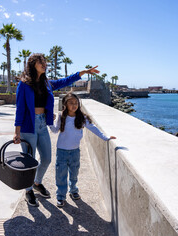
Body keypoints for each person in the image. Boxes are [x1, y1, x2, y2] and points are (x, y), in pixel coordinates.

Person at [13, 53, 99, 207]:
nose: (44, 64)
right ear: (33, 65)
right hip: (28, 126)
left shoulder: (47, 83)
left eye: (45, 62)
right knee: (30, 160)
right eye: (41, 62)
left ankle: (36, 183)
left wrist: (83, 73)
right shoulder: (24, 84)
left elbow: (65, 81)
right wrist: (17, 132)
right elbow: (20, 109)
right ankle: (28, 191)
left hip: (42, 124)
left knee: (46, 158)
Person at [49, 93, 116, 207]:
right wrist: (49, 121)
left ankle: (73, 190)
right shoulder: (62, 116)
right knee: (61, 175)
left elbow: (93, 128)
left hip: (75, 151)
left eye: (76, 103)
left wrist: (105, 137)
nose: (74, 105)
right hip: (62, 152)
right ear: (65, 105)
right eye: (71, 103)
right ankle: (60, 196)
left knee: (74, 173)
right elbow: (55, 130)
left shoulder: (82, 118)